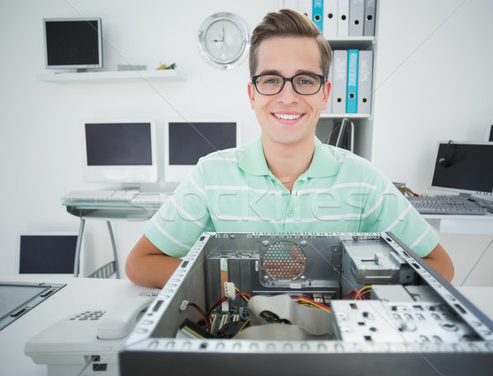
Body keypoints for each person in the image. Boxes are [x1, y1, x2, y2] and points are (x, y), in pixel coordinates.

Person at [125, 8, 454, 288]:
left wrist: (352, 282)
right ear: (252, 94)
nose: (287, 96)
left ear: (325, 94)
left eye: (305, 80)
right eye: (270, 80)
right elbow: (140, 263)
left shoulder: (363, 179)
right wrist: (234, 281)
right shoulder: (211, 175)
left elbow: (440, 264)